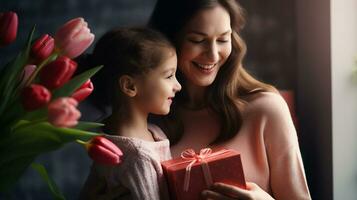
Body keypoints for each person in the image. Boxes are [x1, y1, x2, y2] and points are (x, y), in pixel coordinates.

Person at [148, 0, 311, 199]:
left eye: (223, 39)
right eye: (198, 40)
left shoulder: (266, 109)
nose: (213, 55)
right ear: (168, 40)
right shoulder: (148, 118)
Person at [79, 27, 181, 200]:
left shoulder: (115, 136)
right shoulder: (137, 156)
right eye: (169, 76)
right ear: (129, 86)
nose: (178, 86)